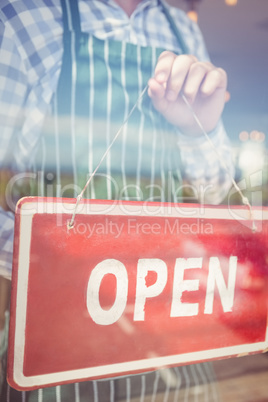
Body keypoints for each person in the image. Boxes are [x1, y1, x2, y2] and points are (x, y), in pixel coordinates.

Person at [0, 0, 234, 400]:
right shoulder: (20, 14)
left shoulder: (181, 28)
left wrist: (199, 129)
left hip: (177, 336)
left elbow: (213, 194)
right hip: (60, 354)